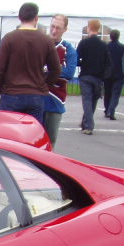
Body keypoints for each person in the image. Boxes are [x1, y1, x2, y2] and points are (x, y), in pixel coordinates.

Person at [0, 2, 61, 128]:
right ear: (36, 18)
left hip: (11, 93)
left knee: (8, 134)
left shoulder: (9, 38)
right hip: (35, 93)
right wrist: (44, 85)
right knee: (32, 135)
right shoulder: (46, 40)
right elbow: (55, 69)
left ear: (19, 17)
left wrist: (1, 88)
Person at [42, 13, 78, 146]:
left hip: (55, 99)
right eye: (52, 26)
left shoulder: (68, 49)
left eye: (58, 28)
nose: (54, 30)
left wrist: (46, 70)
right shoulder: (40, 44)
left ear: (65, 30)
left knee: (50, 141)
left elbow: (69, 73)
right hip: (37, 98)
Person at [77, 18, 106, 134]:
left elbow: (77, 59)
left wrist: (82, 63)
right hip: (98, 76)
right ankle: (86, 122)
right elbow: (107, 61)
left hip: (85, 75)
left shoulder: (84, 43)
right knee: (93, 101)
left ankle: (89, 125)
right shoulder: (103, 45)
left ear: (89, 28)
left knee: (87, 100)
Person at [103, 29, 124, 120]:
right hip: (119, 72)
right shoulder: (122, 47)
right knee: (115, 93)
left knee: (107, 92)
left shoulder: (106, 46)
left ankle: (107, 109)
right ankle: (111, 110)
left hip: (108, 73)